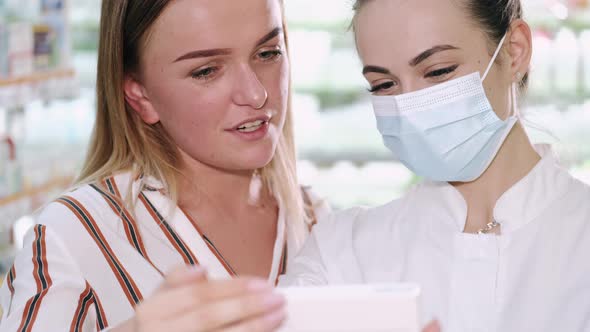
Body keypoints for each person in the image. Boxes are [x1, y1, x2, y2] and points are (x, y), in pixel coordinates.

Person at [0, 0, 329, 331]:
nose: (256, 94)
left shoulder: (317, 219)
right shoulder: (73, 236)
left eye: (268, 53)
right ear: (140, 96)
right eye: (206, 70)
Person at [282, 0, 590, 331]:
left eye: (439, 71)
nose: (410, 109)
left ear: (514, 51)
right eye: (384, 85)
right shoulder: (341, 251)